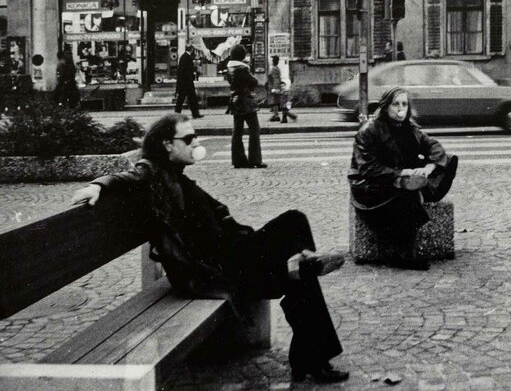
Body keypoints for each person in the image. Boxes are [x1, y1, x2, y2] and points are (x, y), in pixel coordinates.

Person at [69, 114, 349, 383]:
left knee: (295, 224)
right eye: (188, 138)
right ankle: (309, 343)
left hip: (233, 252)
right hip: (212, 270)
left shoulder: (176, 175)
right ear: (168, 145)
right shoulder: (153, 172)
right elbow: (129, 176)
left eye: (196, 137)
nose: (196, 143)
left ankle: (301, 266)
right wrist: (97, 186)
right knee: (300, 270)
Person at [348, 87, 458, 270]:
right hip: (371, 184)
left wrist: (429, 167)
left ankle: (422, 189)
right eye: (396, 104)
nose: (400, 108)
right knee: (406, 194)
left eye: (404, 104)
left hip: (401, 177)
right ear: (386, 107)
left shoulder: (410, 128)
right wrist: (401, 173)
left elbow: (434, 146)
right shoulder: (369, 130)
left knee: (449, 159)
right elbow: (368, 168)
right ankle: (403, 254)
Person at [226, 44, 266, 168]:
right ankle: (255, 160)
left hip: (235, 102)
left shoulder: (229, 68)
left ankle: (238, 160)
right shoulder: (243, 68)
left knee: (237, 132)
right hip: (247, 102)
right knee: (254, 129)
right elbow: (254, 82)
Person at [175, 45, 203, 119]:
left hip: (184, 82)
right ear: (191, 50)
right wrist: (191, 78)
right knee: (190, 99)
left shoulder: (184, 56)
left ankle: (178, 114)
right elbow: (186, 71)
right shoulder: (187, 57)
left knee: (184, 99)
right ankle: (195, 114)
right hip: (187, 83)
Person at [266, 55, 283, 122]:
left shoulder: (274, 69)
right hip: (275, 86)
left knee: (274, 102)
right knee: (274, 101)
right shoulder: (277, 68)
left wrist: (274, 88)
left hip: (274, 87)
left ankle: (276, 116)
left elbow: (275, 79)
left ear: (273, 61)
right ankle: (275, 115)